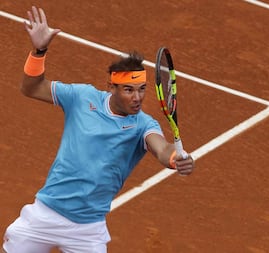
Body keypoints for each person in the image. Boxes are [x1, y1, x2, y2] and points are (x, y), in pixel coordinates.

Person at [2, 6, 195, 253]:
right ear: (111, 87)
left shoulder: (143, 125)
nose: (137, 97)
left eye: (142, 89)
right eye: (128, 90)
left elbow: (161, 148)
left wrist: (174, 158)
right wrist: (39, 51)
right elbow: (31, 88)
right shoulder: (82, 97)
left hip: (87, 230)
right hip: (44, 215)